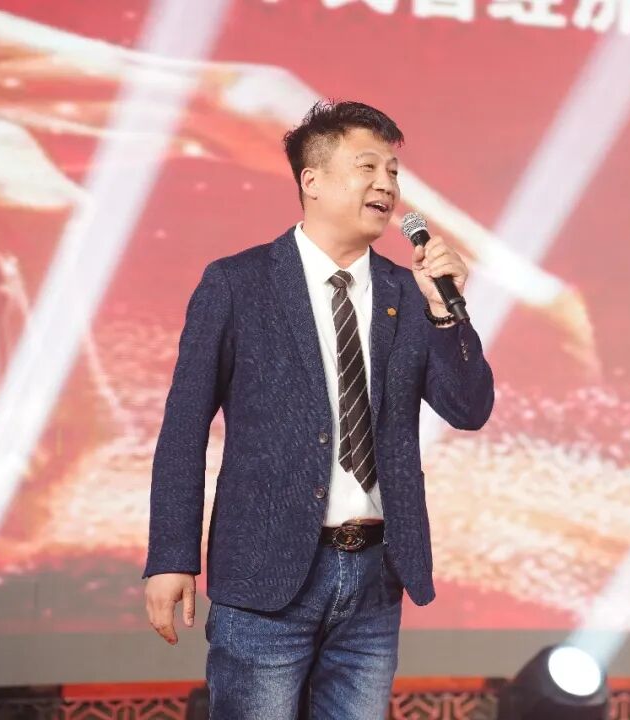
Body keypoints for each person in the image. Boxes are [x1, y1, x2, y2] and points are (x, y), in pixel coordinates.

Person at [143, 100, 495, 719]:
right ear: (312, 180)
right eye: (368, 167)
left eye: (393, 172)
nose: (386, 184)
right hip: (264, 575)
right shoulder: (238, 283)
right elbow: (183, 429)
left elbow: (468, 409)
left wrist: (446, 312)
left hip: (375, 578)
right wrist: (172, 556)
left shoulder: (406, 292)